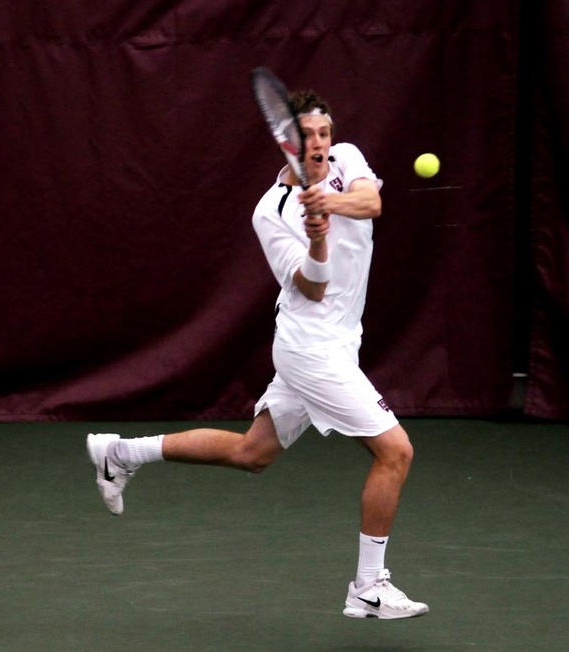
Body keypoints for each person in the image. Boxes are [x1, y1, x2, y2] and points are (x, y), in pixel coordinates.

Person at [86, 89, 429, 620]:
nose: (319, 144)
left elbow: (372, 203)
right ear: (287, 143)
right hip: (310, 349)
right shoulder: (271, 212)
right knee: (396, 452)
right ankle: (368, 588)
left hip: (341, 342)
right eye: (306, 136)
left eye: (324, 133)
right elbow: (312, 287)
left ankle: (121, 453)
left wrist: (328, 204)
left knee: (253, 453)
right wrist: (317, 239)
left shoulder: (346, 159)